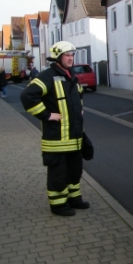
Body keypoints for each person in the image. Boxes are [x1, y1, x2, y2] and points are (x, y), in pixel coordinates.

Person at [21, 41, 90, 216]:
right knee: (58, 174)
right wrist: (46, 115)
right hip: (56, 140)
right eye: (67, 55)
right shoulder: (47, 76)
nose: (71, 58)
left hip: (74, 139)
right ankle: (58, 205)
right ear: (58, 57)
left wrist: (80, 117)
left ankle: (74, 199)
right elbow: (28, 96)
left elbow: (77, 98)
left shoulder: (71, 76)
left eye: (72, 55)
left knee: (75, 171)